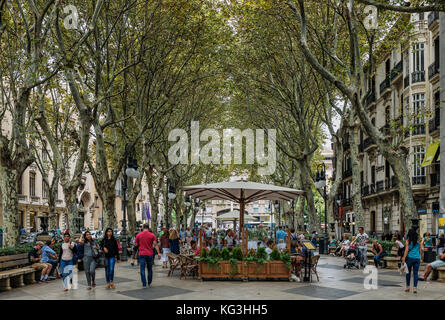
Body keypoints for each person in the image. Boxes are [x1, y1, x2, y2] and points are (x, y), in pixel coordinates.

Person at [134, 223, 161, 288]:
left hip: (142, 253)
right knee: (150, 269)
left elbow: (135, 244)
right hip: (149, 254)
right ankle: (149, 282)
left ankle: (144, 284)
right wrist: (158, 253)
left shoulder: (138, 235)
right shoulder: (152, 235)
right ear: (148, 228)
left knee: (142, 269)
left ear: (143, 228)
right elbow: (155, 244)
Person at [401, 228, 422, 293]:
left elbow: (406, 250)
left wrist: (404, 258)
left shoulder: (408, 241)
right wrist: (420, 257)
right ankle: (415, 288)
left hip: (410, 258)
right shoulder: (418, 240)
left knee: (408, 273)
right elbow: (420, 249)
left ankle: (408, 287)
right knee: (415, 273)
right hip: (417, 258)